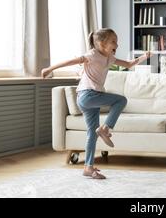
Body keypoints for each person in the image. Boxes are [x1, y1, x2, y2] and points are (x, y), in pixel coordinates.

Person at [42, 28, 151, 179]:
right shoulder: (92, 55)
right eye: (113, 41)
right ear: (101, 43)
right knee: (121, 100)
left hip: (90, 98)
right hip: (88, 95)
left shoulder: (109, 58)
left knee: (91, 134)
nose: (117, 45)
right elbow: (69, 61)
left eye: (116, 42)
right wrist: (49, 69)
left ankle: (88, 167)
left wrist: (144, 57)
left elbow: (129, 64)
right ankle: (105, 128)